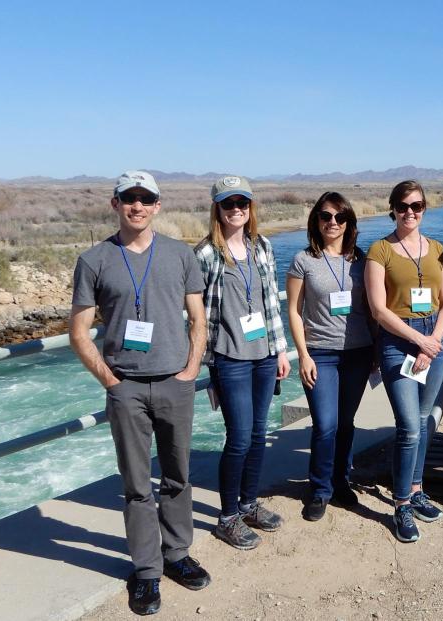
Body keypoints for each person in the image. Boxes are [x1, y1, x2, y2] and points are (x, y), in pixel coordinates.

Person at [69, 170, 210, 615]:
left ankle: (177, 555)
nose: (137, 206)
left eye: (145, 198)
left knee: (178, 476)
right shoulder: (94, 260)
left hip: (175, 382)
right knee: (135, 486)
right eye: (128, 198)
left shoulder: (180, 254)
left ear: (157, 205)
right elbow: (79, 332)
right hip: (126, 387)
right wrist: (111, 381)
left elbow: (198, 319)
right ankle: (146, 571)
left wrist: (190, 369)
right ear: (115, 204)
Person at [194, 175, 291, 550]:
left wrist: (281, 350)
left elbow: (270, 304)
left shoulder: (262, 246)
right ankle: (227, 516)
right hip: (229, 359)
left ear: (251, 208)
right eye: (228, 203)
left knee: (259, 434)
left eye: (242, 203)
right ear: (216, 208)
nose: (236, 209)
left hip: (264, 356)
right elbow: (198, 315)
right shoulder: (204, 254)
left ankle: (249, 504)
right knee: (238, 438)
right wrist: (207, 364)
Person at [365, 180, 443, 543]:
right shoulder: (379, 251)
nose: (410, 213)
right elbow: (378, 309)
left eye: (416, 206)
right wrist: (418, 341)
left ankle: (416, 489)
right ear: (393, 209)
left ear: (424, 209)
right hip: (398, 342)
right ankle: (401, 503)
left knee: (422, 420)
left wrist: (433, 342)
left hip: (434, 338)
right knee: (408, 426)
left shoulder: (438, 249)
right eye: (403, 207)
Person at [287, 192, 374, 521]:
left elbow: (371, 310)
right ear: (316, 220)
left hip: (358, 353)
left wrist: (377, 349)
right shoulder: (303, 260)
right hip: (320, 354)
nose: (332, 223)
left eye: (339, 217)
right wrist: (303, 355)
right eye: (326, 216)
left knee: (346, 423)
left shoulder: (361, 260)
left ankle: (341, 481)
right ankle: (319, 488)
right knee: (325, 424)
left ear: (349, 222)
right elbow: (294, 312)